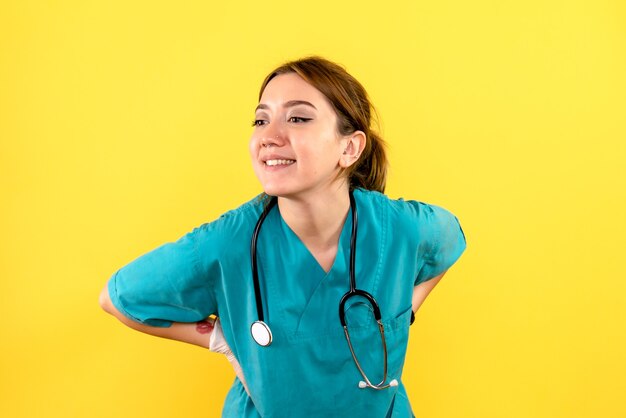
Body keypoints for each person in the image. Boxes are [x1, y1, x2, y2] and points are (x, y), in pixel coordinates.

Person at [99, 56, 466, 417]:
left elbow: (452, 242)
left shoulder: (398, 228)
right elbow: (116, 298)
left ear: (349, 147)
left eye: (298, 118)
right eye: (261, 120)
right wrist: (220, 341)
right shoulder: (230, 242)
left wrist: (406, 309)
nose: (269, 137)